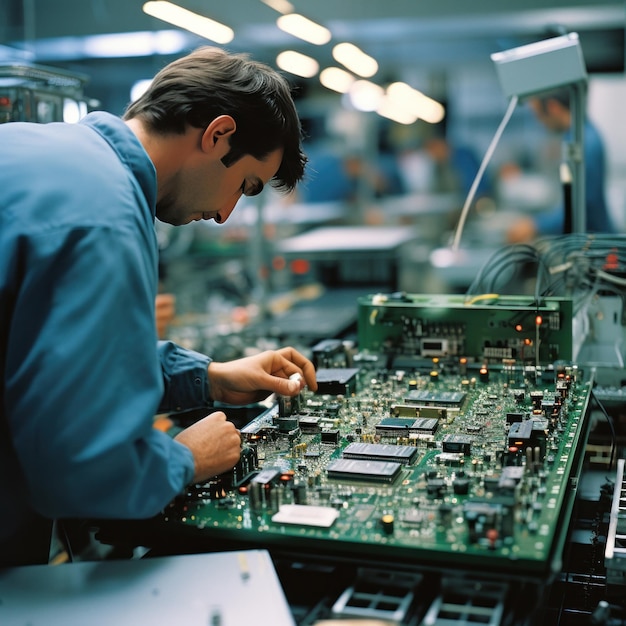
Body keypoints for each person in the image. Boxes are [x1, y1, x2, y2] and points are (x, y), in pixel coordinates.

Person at [0, 46, 318, 566]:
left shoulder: (36, 149)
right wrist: (185, 459)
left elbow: (49, 357)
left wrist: (209, 376)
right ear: (217, 135)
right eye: (244, 186)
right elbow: (81, 474)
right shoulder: (105, 214)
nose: (224, 214)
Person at [506, 89, 616, 243]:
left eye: (538, 114)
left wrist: (535, 225)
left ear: (553, 107)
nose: (539, 122)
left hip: (598, 244)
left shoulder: (585, 142)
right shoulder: (574, 136)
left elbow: (583, 206)